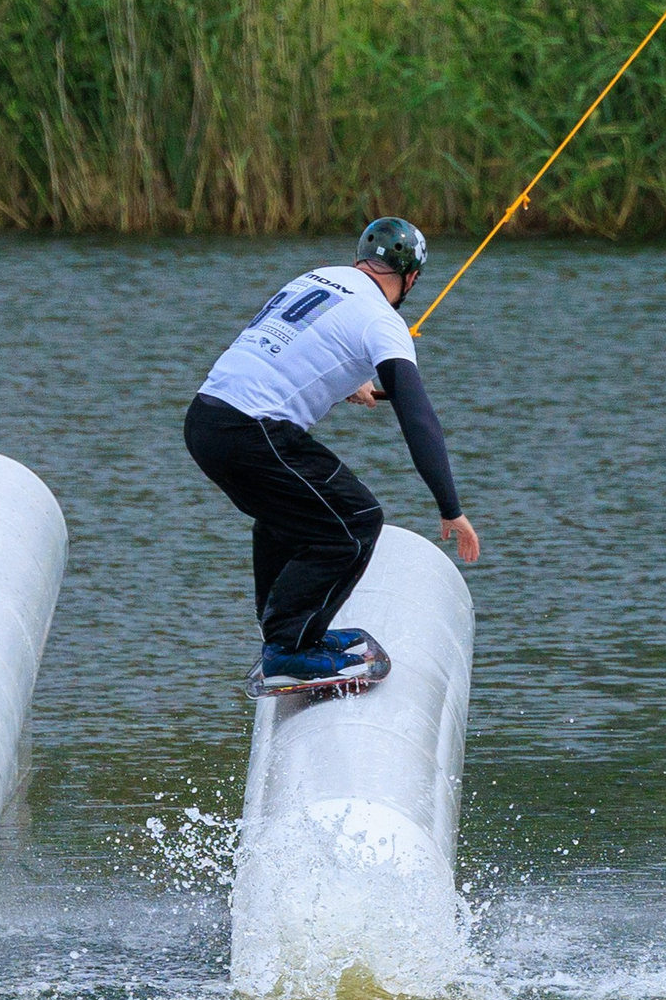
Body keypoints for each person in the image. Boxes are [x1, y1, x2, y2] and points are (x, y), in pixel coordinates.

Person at [183, 217, 480, 690]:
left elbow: (294, 347)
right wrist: (451, 508)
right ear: (411, 279)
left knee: (290, 514)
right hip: (251, 430)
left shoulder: (319, 277)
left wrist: (349, 382)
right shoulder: (383, 322)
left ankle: (291, 634)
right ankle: (288, 649)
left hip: (206, 418)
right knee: (355, 521)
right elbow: (418, 417)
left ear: (361, 258)